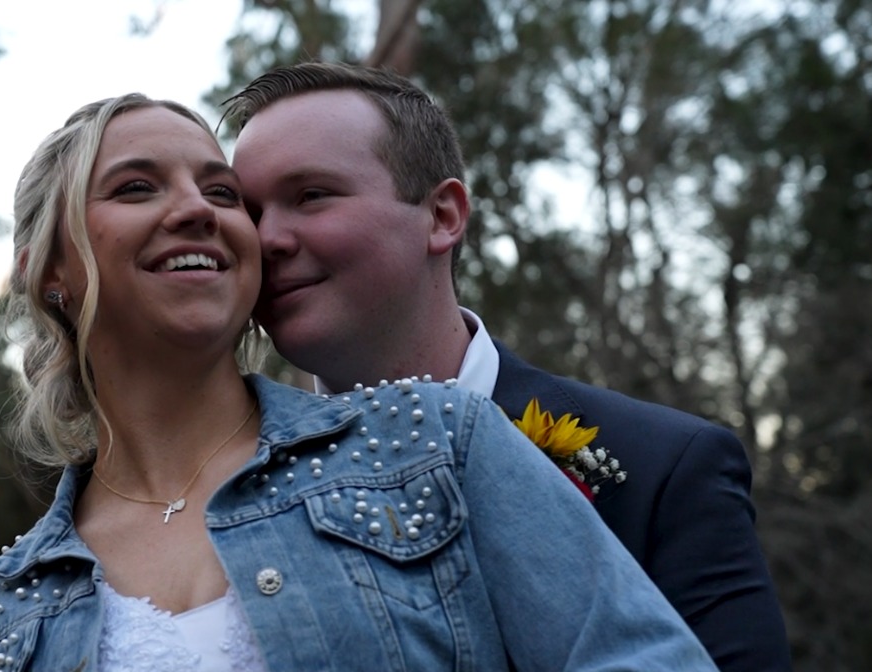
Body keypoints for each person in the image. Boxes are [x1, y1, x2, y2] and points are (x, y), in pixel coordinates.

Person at [0, 93, 717, 672]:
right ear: (49, 273)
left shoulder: (435, 444)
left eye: (220, 193)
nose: (199, 209)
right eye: (138, 187)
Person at [223, 61, 792, 672]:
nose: (268, 239)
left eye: (310, 196)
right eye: (249, 213)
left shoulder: (663, 469)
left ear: (442, 215)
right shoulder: (222, 483)